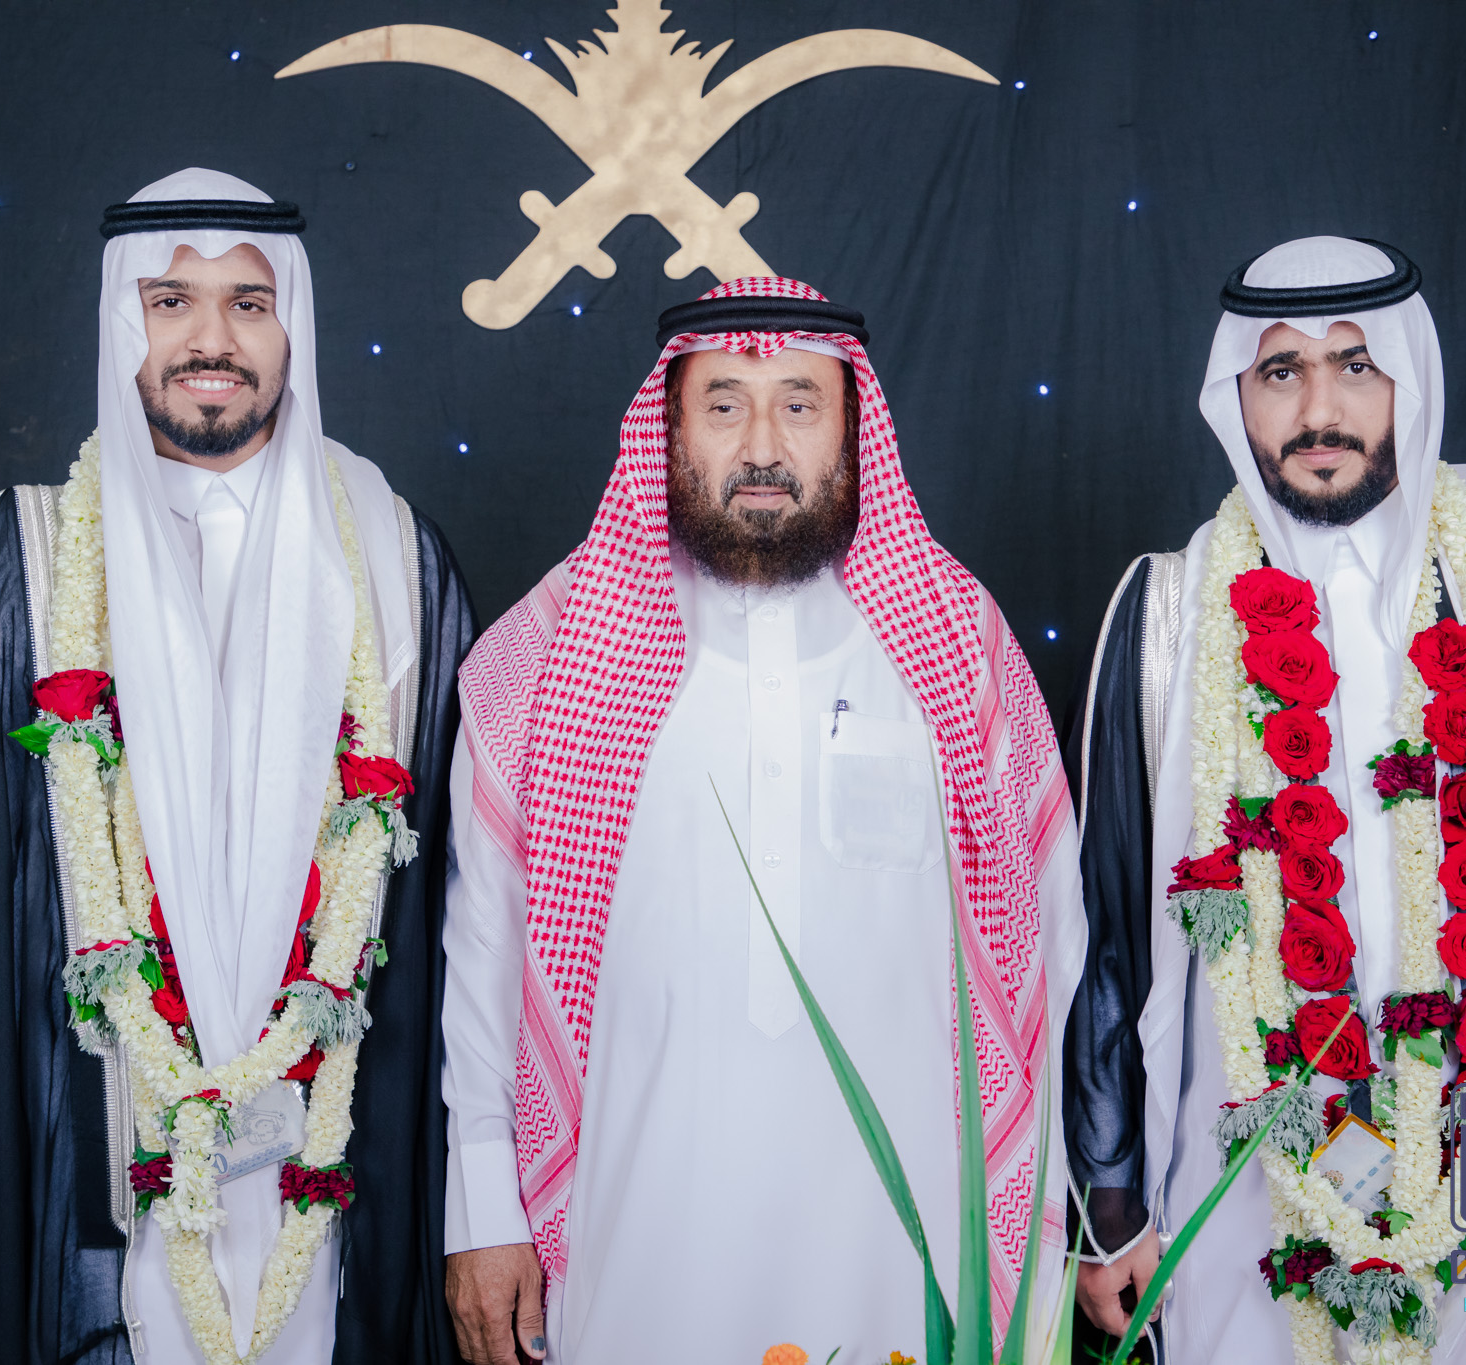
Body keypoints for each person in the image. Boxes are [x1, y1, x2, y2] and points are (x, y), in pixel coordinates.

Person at [0, 168, 473, 1364]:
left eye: (248, 304)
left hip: (330, 1142)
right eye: (171, 302)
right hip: (88, 1136)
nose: (212, 340)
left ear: (293, 328)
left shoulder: (394, 559)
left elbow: (460, 905)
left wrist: (483, 1198)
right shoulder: (30, 553)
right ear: (124, 323)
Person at [1067, 236, 1466, 1363]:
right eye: (1282, 371)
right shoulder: (1170, 614)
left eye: (1355, 366)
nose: (1319, 409)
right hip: (1251, 1169)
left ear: (1408, 380)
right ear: (1236, 394)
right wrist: (1110, 1211)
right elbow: (1108, 940)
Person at [440, 278, 1087, 1363]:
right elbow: (484, 958)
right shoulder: (546, 656)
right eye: (723, 404)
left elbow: (1048, 947)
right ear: (668, 428)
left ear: (851, 430)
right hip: (641, 1225)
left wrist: (1049, 1204)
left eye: (798, 403)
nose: (761, 446)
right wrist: (481, 1205)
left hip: (907, 1234)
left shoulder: (956, 641)